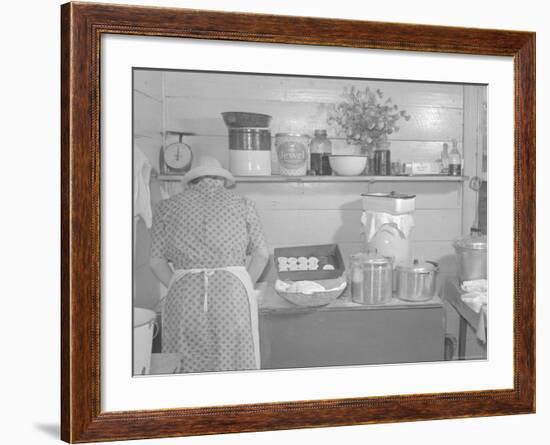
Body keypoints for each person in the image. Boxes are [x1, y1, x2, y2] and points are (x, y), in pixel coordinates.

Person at [149, 156, 269, 373]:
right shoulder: (243, 204)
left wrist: (177, 282)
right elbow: (261, 253)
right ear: (222, 180)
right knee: (234, 355)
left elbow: (155, 261)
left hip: (183, 296)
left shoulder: (166, 207)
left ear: (192, 181)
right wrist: (241, 282)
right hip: (233, 294)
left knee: (183, 360)